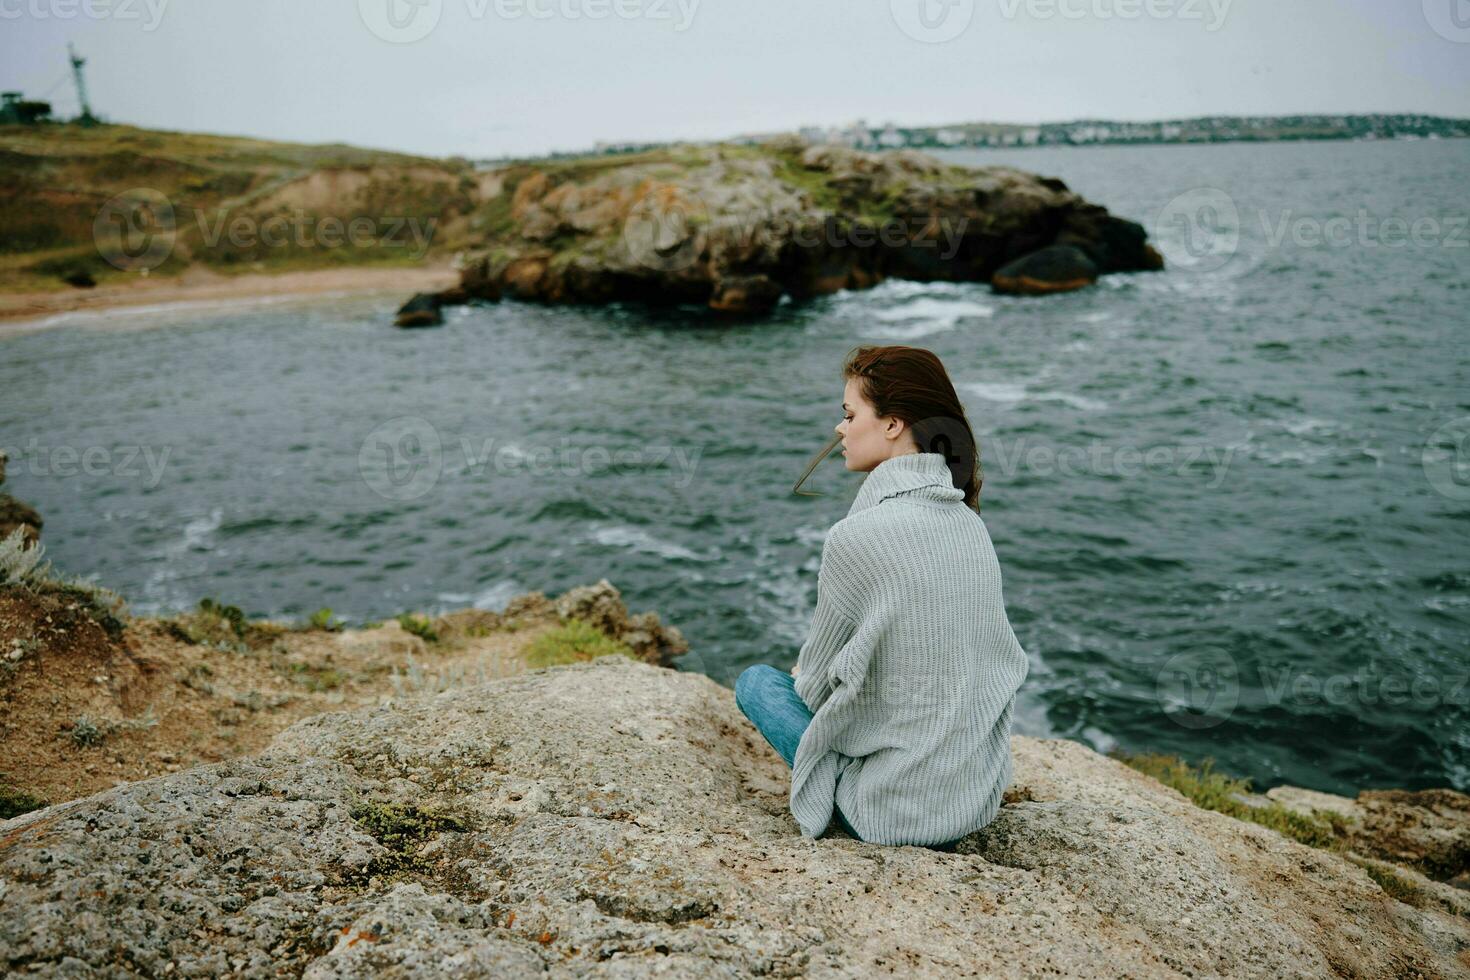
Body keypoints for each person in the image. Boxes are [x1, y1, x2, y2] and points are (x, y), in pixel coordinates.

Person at [735, 344, 1029, 848]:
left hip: (885, 811)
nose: (840, 429)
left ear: (892, 424)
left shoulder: (856, 537)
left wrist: (811, 677)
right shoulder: (970, 526)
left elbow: (813, 694)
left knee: (759, 682)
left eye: (850, 414)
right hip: (970, 802)